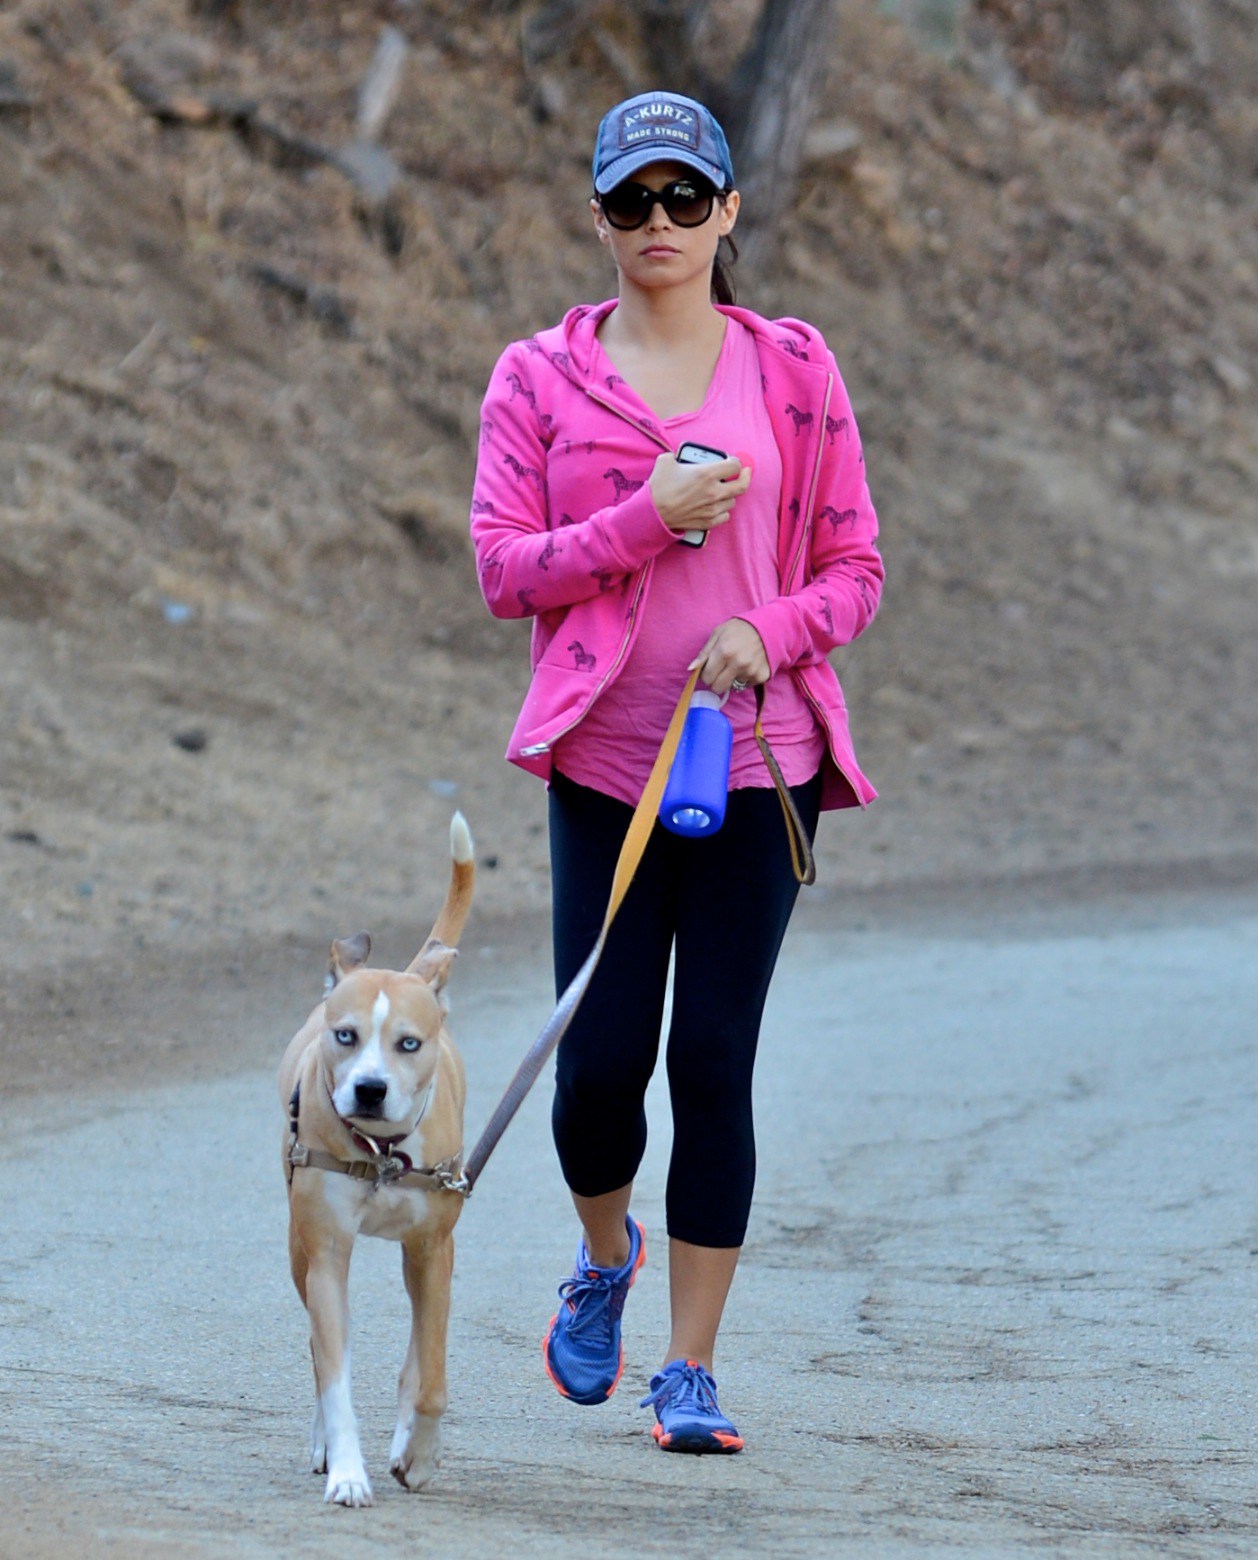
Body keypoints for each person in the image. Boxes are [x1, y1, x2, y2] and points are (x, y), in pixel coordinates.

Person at [469, 90, 883, 1455]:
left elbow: (853, 569)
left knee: (710, 1060)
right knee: (598, 1069)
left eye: (684, 197)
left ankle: (689, 1370)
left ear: (727, 212)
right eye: (632, 199)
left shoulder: (793, 371)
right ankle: (605, 1257)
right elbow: (503, 571)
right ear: (598, 217)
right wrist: (643, 520)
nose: (660, 221)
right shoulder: (539, 378)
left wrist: (769, 631)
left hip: (759, 763)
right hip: (605, 765)